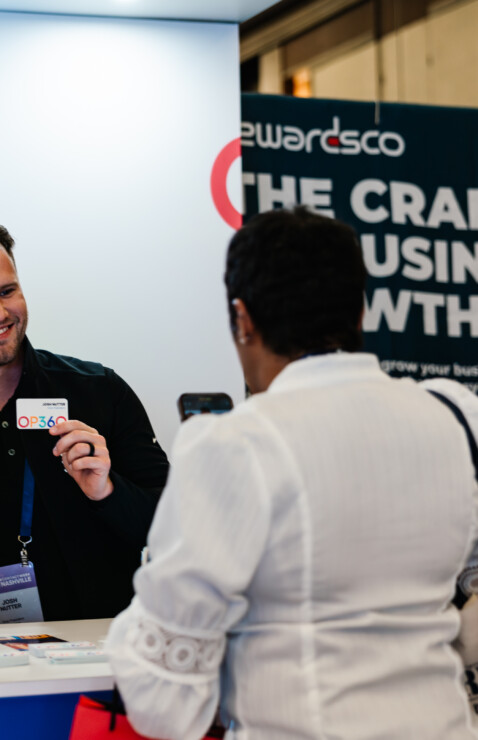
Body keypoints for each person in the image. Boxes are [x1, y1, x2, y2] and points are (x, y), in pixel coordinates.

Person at [105, 207, 478, 740]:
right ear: (361, 309)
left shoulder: (234, 443)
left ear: (242, 318)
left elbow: (165, 702)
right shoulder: (454, 413)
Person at [0, 220, 170, 624]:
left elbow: (173, 527)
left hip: (99, 660)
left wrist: (108, 491)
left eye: (7, 291)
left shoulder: (98, 390)